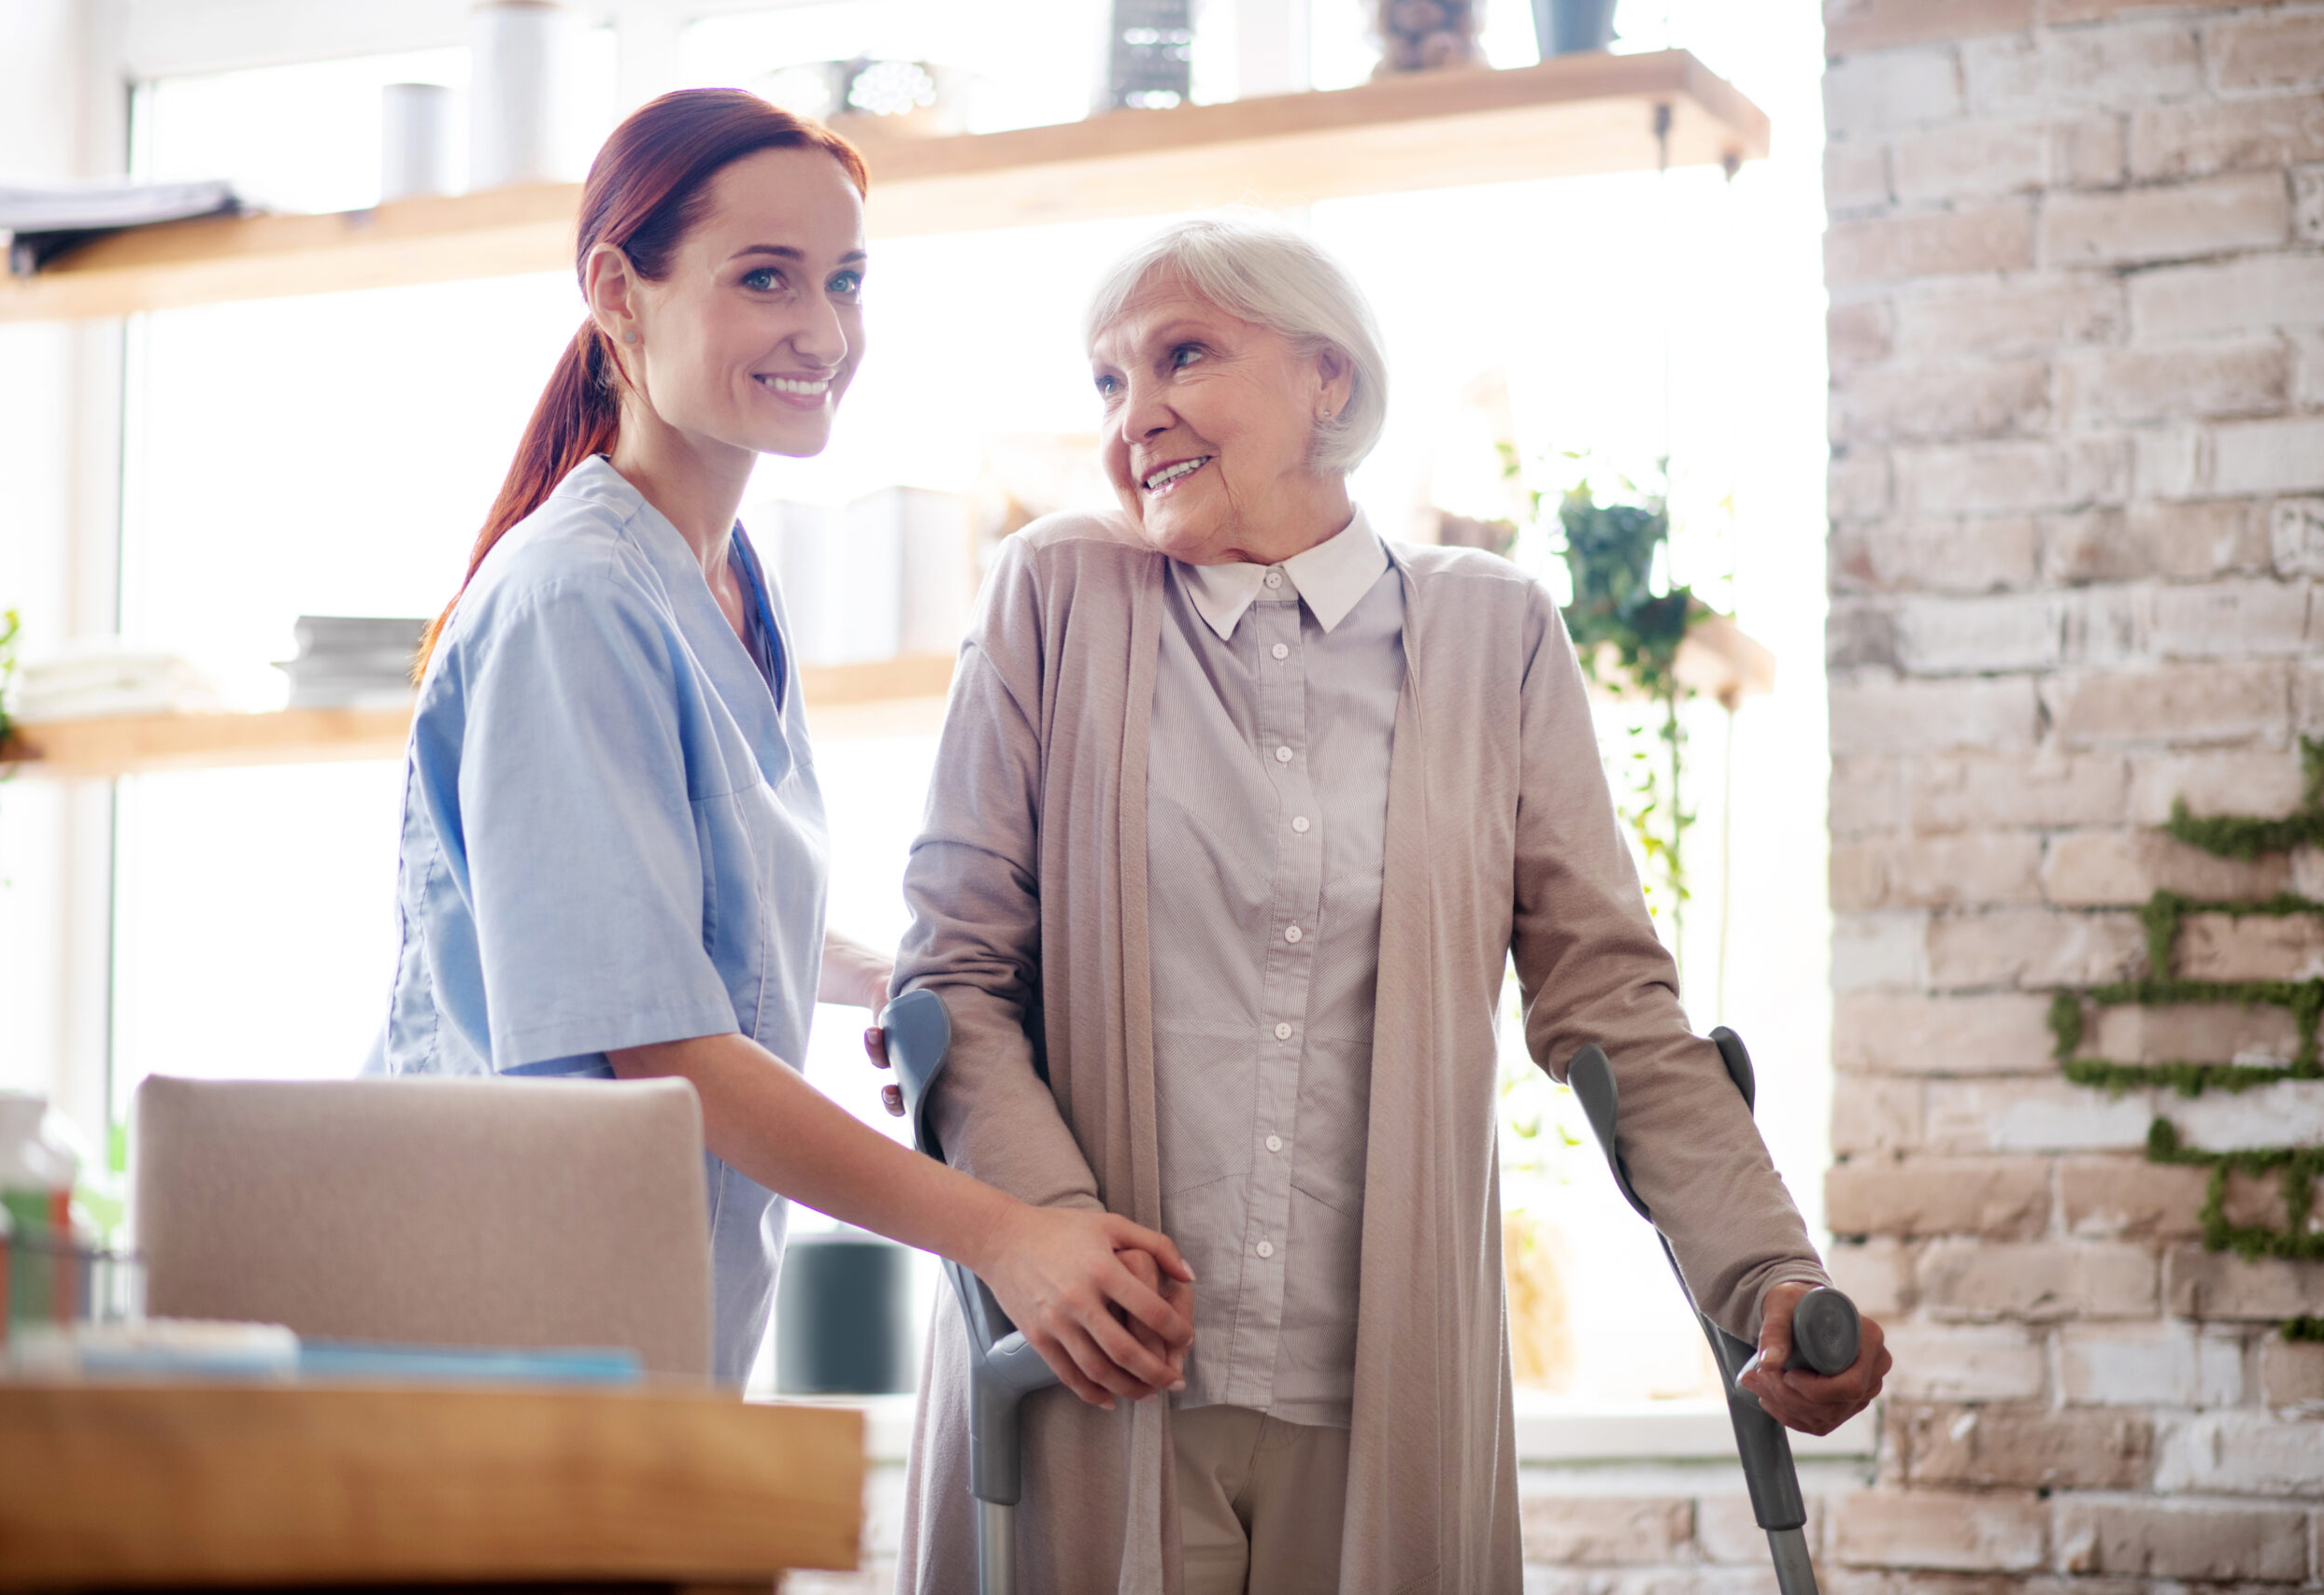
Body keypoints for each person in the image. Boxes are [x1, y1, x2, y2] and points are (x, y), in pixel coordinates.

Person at [885, 214, 1891, 1594]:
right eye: (1108, 383)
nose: (1136, 418)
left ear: (1329, 382)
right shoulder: (1057, 595)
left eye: (1183, 356)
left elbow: (1615, 1013)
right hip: (1090, 1378)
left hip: (1378, 1395)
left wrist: (1770, 1277)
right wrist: (1051, 1236)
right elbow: (951, 978)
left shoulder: (1496, 633)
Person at [372, 89, 1193, 1400]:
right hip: (500, 1331)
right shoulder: (578, 598)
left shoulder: (722, 577)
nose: (823, 331)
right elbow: (657, 1037)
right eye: (765, 279)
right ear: (617, 291)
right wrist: (1007, 1240)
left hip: (644, 1324)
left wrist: (900, 977)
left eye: (847, 282)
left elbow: (682, 914)